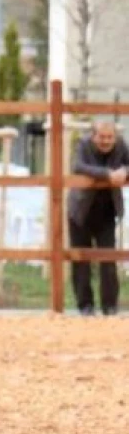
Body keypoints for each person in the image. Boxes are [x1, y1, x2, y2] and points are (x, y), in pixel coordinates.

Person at [68, 120, 129, 316]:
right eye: (102, 137)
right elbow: (78, 166)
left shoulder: (121, 146)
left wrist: (125, 172)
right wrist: (108, 174)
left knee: (108, 260)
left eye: (110, 137)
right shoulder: (83, 145)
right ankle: (85, 306)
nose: (106, 141)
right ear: (93, 136)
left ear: (115, 136)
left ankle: (110, 306)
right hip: (80, 211)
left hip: (106, 212)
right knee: (81, 260)